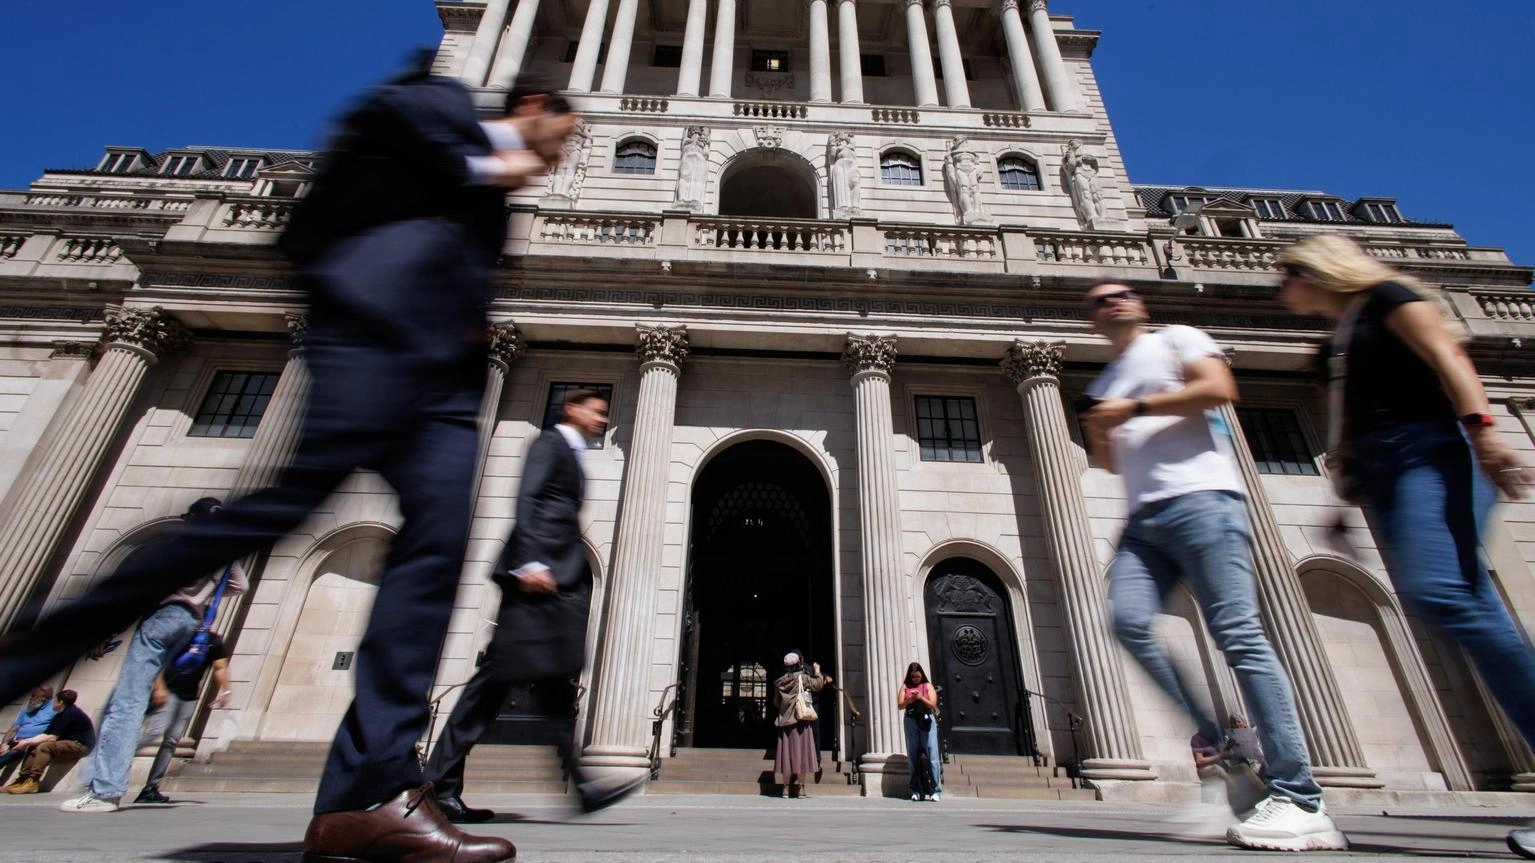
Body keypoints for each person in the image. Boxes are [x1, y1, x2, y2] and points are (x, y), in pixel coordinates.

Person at [0, 57, 576, 863]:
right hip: (372, 337)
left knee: (437, 551)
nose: (553, 160)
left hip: (446, 376)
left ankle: (367, 793)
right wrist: (492, 163)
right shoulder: (433, 102)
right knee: (271, 513)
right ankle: (22, 654)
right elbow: (388, 172)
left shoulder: (489, 177)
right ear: (532, 105)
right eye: (556, 139)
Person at [1273, 236, 1535, 859]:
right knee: (1460, 600)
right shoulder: (1337, 340)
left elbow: (1449, 358)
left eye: (1288, 276)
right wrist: (1340, 500)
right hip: (1386, 467)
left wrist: (1487, 434)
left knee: (1442, 592)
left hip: (1431, 450)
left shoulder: (1389, 296)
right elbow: (1347, 427)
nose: (1282, 290)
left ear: (1318, 270)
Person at [1081, 282, 1346, 852]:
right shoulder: (1105, 381)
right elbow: (1107, 459)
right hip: (1145, 520)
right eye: (1101, 299)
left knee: (1239, 637)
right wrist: (1101, 430)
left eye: (1122, 293)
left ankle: (1300, 795)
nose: (1114, 301)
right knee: (1126, 619)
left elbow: (1219, 388)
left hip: (1205, 499)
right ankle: (1225, 751)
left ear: (1140, 303)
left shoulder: (1179, 337)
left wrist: (1135, 408)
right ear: (1093, 317)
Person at [425, 389, 643, 822]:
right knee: (489, 691)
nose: (603, 419)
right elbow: (528, 498)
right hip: (533, 583)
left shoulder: (571, 451)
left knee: (553, 691)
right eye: (597, 412)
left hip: (551, 582)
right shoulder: (549, 444)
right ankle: (436, 786)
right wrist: (530, 562)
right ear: (573, 409)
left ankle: (581, 789)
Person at [57, 497, 246, 814]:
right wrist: (203, 594)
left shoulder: (184, 542)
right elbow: (240, 585)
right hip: (191, 624)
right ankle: (115, 781)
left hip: (162, 618)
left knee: (126, 704)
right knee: (139, 701)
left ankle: (105, 791)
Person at [132, 630, 232, 805]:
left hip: (188, 696)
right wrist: (159, 688)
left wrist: (225, 690)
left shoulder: (212, 641)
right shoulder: (178, 634)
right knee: (155, 732)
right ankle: (113, 760)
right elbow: (157, 661)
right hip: (168, 690)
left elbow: (220, 666)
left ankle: (150, 788)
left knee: (172, 740)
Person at [1, 690, 94, 795]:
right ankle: (22, 779)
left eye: (55, 700)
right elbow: (46, 734)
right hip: (66, 743)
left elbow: (52, 737)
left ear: (61, 702)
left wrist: (26, 742)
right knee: (33, 746)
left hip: (80, 745)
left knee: (45, 746)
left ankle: (33, 781)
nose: (53, 703)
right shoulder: (60, 715)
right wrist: (26, 742)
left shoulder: (71, 713)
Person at [772, 652, 829, 799]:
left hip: (785, 723)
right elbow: (817, 685)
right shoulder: (802, 678)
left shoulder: (780, 682)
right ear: (798, 664)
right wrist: (817, 672)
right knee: (802, 756)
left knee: (786, 756)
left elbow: (776, 703)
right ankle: (801, 789)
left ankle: (785, 788)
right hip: (800, 722)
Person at [898, 662, 941, 802]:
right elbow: (900, 705)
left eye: (917, 676)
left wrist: (921, 698)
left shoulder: (927, 686)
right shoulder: (905, 686)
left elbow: (933, 704)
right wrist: (910, 699)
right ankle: (915, 789)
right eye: (913, 676)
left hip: (926, 720)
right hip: (911, 720)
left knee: (932, 754)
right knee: (912, 755)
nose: (915, 678)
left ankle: (936, 790)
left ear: (922, 674)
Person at [0, 685, 56, 771]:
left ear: (43, 697)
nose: (30, 698)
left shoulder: (54, 709)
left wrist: (28, 741)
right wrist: (4, 744)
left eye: (34, 695)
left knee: (14, 752)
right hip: (16, 741)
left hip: (31, 743)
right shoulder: (26, 710)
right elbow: (14, 728)